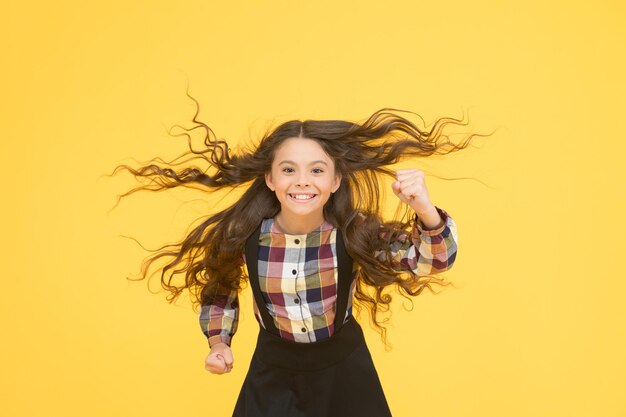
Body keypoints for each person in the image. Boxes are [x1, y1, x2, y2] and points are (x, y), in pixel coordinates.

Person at [113, 96, 483, 417]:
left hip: (345, 375)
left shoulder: (353, 235)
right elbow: (220, 290)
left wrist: (425, 209)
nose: (302, 181)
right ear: (270, 179)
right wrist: (219, 343)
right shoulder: (246, 237)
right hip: (274, 374)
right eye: (288, 170)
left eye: (316, 170)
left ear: (335, 181)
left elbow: (433, 261)